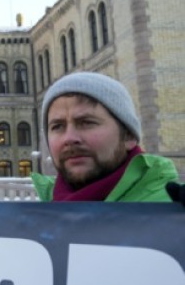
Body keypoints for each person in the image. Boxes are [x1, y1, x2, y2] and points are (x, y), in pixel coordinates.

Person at [32, 71, 179, 202]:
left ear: (128, 135)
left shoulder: (171, 209)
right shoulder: (40, 214)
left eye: (86, 123)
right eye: (57, 126)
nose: (69, 138)